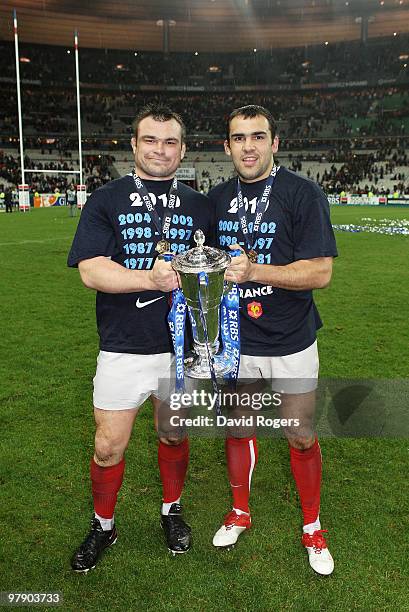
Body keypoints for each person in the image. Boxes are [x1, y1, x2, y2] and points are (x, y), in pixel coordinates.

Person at [67, 104, 213, 572]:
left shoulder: (198, 204)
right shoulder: (106, 199)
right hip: (122, 346)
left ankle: (172, 510)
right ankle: (103, 525)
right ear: (134, 145)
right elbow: (91, 270)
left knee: (172, 435)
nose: (160, 150)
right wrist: (150, 280)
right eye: (150, 140)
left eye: (170, 142)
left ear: (183, 150)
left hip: (179, 349)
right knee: (109, 445)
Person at [208, 105, 337, 576]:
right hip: (237, 340)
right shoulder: (217, 198)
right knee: (238, 427)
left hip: (291, 339)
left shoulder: (302, 194)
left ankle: (312, 526)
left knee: (300, 435)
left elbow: (320, 272)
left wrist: (255, 271)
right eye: (238, 138)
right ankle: (240, 511)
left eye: (258, 136)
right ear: (227, 147)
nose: (248, 146)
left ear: (275, 143)